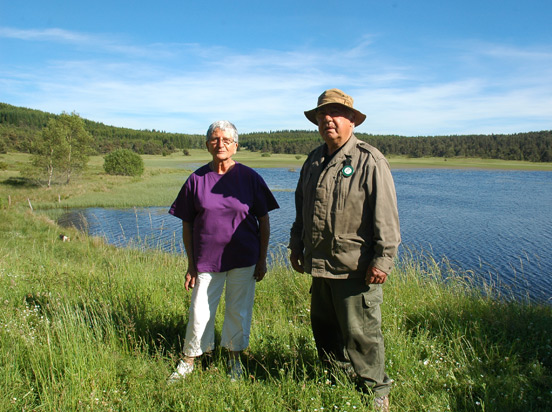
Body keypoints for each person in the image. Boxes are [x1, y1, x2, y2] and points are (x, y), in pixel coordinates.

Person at [289, 89, 400, 411]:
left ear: (352, 120)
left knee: (361, 333)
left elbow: (386, 216)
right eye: (322, 115)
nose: (328, 119)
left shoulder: (369, 160)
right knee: (324, 329)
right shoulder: (313, 160)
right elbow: (302, 207)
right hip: (319, 263)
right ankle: (337, 379)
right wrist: (296, 244)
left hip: (354, 266)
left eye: (336, 113)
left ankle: (376, 390)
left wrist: (383, 259)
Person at [168, 120, 279, 383]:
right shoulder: (196, 179)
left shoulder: (250, 178)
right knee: (199, 310)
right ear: (207, 144)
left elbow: (263, 220)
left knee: (238, 310)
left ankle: (234, 360)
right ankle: (189, 359)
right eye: (215, 139)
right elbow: (187, 223)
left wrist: (262, 259)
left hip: (244, 258)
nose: (221, 144)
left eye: (226, 140)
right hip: (206, 259)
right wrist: (191, 264)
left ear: (236, 147)